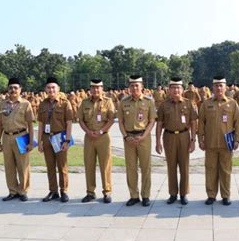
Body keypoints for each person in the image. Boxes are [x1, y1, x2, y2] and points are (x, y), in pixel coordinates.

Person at [198, 76, 239, 206]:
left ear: (225, 87)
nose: (218, 88)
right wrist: (201, 139)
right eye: (216, 85)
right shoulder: (206, 104)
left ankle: (225, 195)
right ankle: (211, 195)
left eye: (221, 85)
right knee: (210, 169)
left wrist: (237, 140)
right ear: (213, 88)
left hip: (226, 144)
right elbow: (201, 123)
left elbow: (237, 123)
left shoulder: (232, 104)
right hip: (210, 143)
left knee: (226, 170)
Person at [156, 77, 198, 205]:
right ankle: (173, 193)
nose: (175, 90)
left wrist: (193, 140)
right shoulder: (164, 105)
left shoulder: (188, 103)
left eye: (178, 88)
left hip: (184, 136)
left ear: (182, 89)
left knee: (184, 166)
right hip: (169, 137)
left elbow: (193, 122)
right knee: (171, 166)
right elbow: (159, 124)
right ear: (169, 90)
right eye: (173, 88)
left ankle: (183, 193)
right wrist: (158, 141)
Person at [117, 75, 157, 207]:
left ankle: (146, 195)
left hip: (143, 137)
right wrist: (125, 137)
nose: (134, 88)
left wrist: (144, 136)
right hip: (128, 138)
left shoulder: (149, 101)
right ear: (129, 87)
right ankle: (134, 195)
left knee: (146, 167)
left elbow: (152, 121)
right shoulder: (123, 102)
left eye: (137, 85)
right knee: (131, 168)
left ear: (142, 87)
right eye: (132, 85)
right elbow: (121, 122)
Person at [77, 79, 116, 203]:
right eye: (93, 88)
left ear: (102, 89)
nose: (95, 90)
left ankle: (107, 192)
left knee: (105, 165)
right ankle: (90, 192)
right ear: (90, 89)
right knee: (89, 165)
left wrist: (100, 132)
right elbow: (81, 120)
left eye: (98, 87)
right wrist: (88, 132)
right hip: (89, 137)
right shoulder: (84, 102)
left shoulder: (108, 102)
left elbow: (111, 120)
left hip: (103, 137)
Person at [0, 78, 34, 202]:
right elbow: (0, 125)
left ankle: (23, 191)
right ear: (8, 89)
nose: (13, 90)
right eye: (10, 88)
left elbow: (30, 124)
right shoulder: (2, 104)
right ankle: (12, 191)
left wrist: (30, 142)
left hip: (21, 136)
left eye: (15, 88)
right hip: (7, 137)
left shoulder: (25, 104)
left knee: (23, 166)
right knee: (9, 165)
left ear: (20, 89)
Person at [37, 77, 74, 203]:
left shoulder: (64, 103)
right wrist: (40, 141)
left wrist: (67, 140)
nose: (51, 90)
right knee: (50, 166)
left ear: (58, 89)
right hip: (47, 138)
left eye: (53, 87)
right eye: (48, 87)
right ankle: (53, 191)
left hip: (59, 137)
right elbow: (41, 124)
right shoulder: (42, 104)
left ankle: (64, 190)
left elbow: (69, 123)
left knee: (62, 166)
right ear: (45, 89)